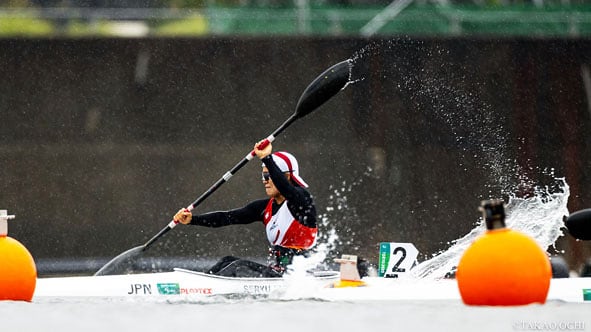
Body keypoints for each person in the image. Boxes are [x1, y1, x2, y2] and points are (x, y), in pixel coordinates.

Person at [173, 140, 318, 278]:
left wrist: (267, 158)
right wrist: (193, 219)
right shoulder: (263, 208)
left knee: (238, 267)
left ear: (286, 176)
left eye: (268, 175)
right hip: (279, 274)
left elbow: (287, 189)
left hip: (298, 278)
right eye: (263, 175)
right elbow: (227, 218)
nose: (264, 180)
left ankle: (202, 289)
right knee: (227, 261)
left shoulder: (302, 201)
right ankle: (198, 286)